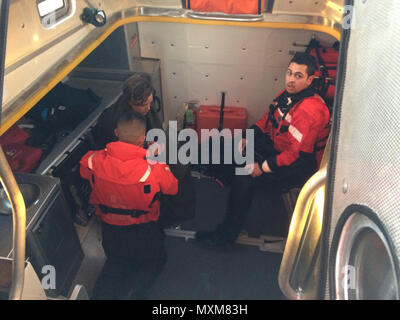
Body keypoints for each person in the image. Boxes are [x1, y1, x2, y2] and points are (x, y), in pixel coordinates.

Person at [196, 52, 331, 246]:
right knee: (224, 145)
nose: (291, 80)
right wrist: (246, 136)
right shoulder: (287, 96)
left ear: (310, 80)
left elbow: (296, 155)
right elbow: (267, 121)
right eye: (289, 73)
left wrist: (263, 167)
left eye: (298, 76)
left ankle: (225, 237)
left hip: (297, 168)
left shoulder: (309, 111)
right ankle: (223, 175)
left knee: (245, 178)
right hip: (276, 148)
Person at [80, 110, 178, 299]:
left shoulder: (93, 161)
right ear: (143, 138)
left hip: (110, 231)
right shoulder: (153, 168)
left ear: (116, 133)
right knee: (155, 261)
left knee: (116, 264)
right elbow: (172, 188)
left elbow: (85, 169)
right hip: (144, 232)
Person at [92, 74, 195, 227]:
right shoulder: (113, 121)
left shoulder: (143, 105)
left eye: (150, 103)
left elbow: (155, 128)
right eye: (143, 105)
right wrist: (148, 149)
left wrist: (155, 143)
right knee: (176, 169)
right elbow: (118, 152)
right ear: (130, 102)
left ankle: (182, 207)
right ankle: (172, 212)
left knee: (182, 160)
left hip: (149, 145)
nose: (148, 108)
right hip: (134, 159)